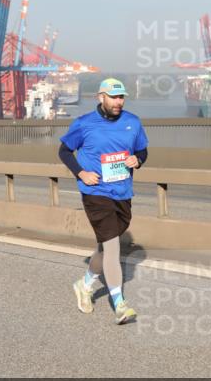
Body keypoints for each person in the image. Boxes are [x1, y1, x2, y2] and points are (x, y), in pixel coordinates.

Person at [59, 78, 149, 324]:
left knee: (104, 246)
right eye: (113, 97)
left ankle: (84, 285)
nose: (118, 102)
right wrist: (81, 173)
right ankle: (120, 305)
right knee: (112, 248)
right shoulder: (84, 123)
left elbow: (142, 150)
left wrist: (137, 160)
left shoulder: (132, 122)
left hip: (123, 191)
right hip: (96, 191)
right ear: (101, 97)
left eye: (121, 97)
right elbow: (64, 151)